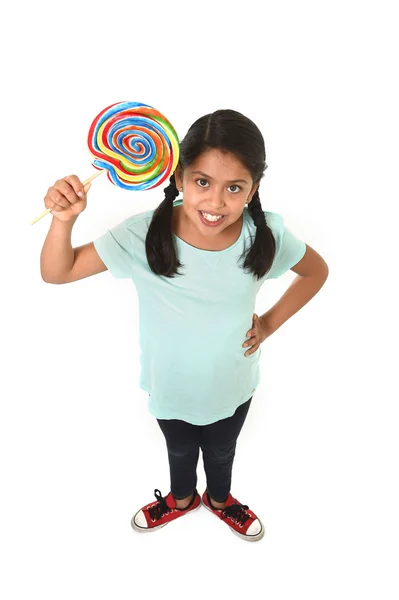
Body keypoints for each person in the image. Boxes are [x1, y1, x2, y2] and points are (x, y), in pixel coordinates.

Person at [40, 109, 328, 542]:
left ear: (254, 189)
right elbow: (57, 272)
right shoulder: (142, 235)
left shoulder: (265, 236)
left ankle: (218, 499)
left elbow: (316, 272)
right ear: (178, 179)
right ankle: (180, 499)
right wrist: (64, 220)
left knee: (221, 449)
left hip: (233, 385)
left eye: (234, 188)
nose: (215, 203)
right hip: (169, 386)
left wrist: (268, 324)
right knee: (178, 448)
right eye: (202, 182)